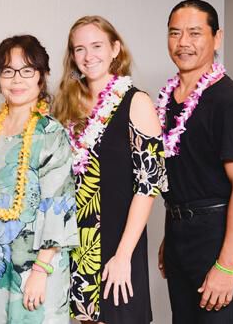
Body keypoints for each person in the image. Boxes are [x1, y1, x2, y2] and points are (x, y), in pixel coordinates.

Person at [55, 16, 168, 323]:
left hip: (117, 242)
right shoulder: (67, 105)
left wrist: (123, 255)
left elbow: (149, 184)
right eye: (80, 49)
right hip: (74, 241)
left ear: (115, 48)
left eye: (97, 46)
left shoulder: (137, 102)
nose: (89, 56)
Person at [156, 0, 233, 324]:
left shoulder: (230, 102)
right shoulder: (167, 99)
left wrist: (227, 265)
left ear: (217, 38)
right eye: (175, 33)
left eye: (195, 33)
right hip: (178, 234)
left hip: (215, 238)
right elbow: (185, 174)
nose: (183, 42)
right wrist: (170, 235)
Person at [0, 35, 79, 323]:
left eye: (27, 71)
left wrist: (41, 271)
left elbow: (58, 207)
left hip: (36, 266)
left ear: (41, 78)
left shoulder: (50, 133)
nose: (17, 80)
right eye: (8, 71)